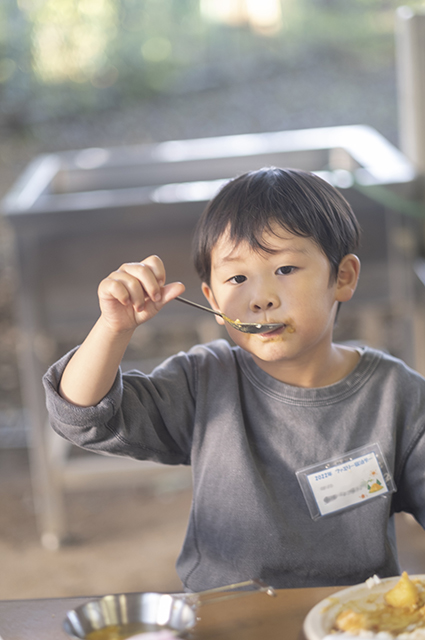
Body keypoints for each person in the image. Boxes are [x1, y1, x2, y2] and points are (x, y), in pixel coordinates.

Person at [43, 167, 425, 592]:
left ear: (343, 277)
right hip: (223, 621)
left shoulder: (400, 397)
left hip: (356, 618)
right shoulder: (202, 381)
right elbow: (80, 417)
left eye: (285, 269)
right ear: (212, 299)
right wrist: (113, 328)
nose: (260, 297)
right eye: (237, 278)